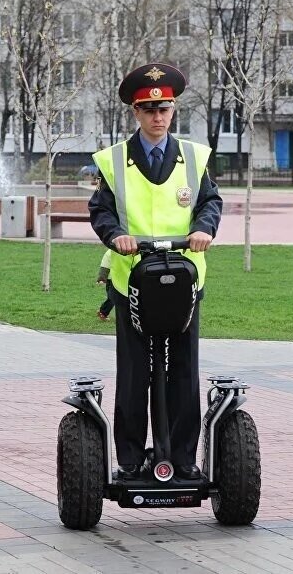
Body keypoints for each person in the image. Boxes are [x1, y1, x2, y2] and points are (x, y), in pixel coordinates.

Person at [88, 62, 223, 481]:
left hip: (185, 279)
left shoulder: (194, 157)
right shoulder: (113, 161)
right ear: (136, 113)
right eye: (149, 110)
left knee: (184, 370)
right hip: (132, 281)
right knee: (134, 372)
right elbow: (101, 210)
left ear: (173, 110)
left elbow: (211, 202)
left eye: (164, 109)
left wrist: (203, 229)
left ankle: (182, 457)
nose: (157, 117)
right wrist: (116, 238)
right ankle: (129, 459)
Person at [96, 249, 114, 321]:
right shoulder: (110, 252)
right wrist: (102, 279)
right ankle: (103, 312)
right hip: (112, 280)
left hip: (124, 279)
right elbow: (105, 266)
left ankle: (102, 312)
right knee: (112, 298)